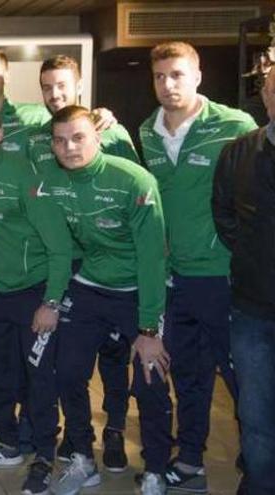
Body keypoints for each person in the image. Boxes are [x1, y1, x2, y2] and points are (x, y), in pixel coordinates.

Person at [138, 41, 257, 493]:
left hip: (224, 277)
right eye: (160, 76)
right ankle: (190, 462)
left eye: (177, 75)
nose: (168, 85)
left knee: (245, 378)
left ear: (198, 76)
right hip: (174, 280)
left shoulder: (234, 125)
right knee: (187, 376)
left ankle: (259, 462)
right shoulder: (146, 132)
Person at [43, 106, 172, 495]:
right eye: (61, 140)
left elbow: (153, 258)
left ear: (97, 137)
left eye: (78, 137)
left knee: (150, 379)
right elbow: (60, 247)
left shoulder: (134, 180)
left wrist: (149, 328)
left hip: (138, 290)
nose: (69, 147)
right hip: (90, 286)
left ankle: (156, 471)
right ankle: (83, 457)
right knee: (66, 371)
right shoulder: (51, 181)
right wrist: (51, 300)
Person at [26, 55, 138, 471]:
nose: (54, 94)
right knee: (67, 362)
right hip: (59, 263)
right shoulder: (38, 137)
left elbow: (138, 195)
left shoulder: (111, 131)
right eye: (46, 87)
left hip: (108, 269)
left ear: (79, 83)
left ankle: (114, 432)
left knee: (113, 355)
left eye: (61, 85)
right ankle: (77, 437)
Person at [0, 101, 72, 495]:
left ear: (1, 135)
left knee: (39, 379)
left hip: (33, 294)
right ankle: (6, 442)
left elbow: (60, 248)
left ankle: (43, 456)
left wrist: (52, 302)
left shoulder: (26, 177)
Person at [212, 66, 275, 495]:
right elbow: (224, 214)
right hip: (254, 308)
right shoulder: (238, 152)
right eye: (274, 91)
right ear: (266, 97)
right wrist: (255, 256)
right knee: (255, 415)